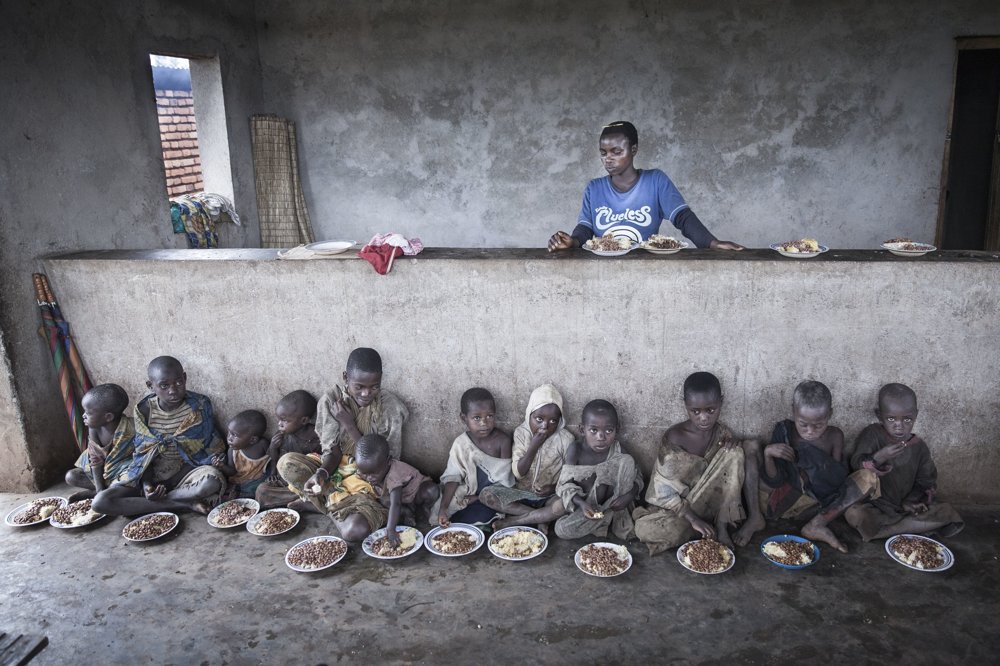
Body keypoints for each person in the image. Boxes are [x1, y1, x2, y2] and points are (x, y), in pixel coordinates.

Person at [276, 348, 408, 542]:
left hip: (370, 477)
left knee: (354, 532)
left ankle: (324, 505)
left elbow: (387, 461)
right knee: (286, 464)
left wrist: (348, 424)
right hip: (335, 470)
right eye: (359, 386)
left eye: (374, 387)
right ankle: (330, 499)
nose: (366, 393)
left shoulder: (390, 407)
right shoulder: (330, 400)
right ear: (346, 377)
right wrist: (321, 473)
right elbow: (332, 451)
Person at [547, 121, 744, 251]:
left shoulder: (655, 181)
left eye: (616, 151)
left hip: (646, 268)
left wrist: (712, 243)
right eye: (604, 152)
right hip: (602, 270)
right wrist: (572, 242)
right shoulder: (594, 188)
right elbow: (585, 228)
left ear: (633, 150)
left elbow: (683, 218)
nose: (608, 159)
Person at [737, 381, 880, 553]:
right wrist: (768, 455)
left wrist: (811, 468)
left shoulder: (835, 436)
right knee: (750, 446)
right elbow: (775, 481)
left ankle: (817, 525)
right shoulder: (784, 431)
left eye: (819, 425)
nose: (810, 431)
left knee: (868, 478)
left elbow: (836, 481)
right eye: (803, 424)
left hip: (813, 505)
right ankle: (754, 517)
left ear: (830, 414)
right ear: (793, 411)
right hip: (776, 498)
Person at [92, 356, 226, 517]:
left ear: (184, 378)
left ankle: (147, 505)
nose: (173, 390)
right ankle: (182, 504)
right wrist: (148, 486)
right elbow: (144, 453)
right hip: (152, 471)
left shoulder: (199, 405)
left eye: (178, 382)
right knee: (100, 502)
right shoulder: (144, 410)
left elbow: (209, 449)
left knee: (210, 484)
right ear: (150, 386)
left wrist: (170, 482)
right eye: (164, 385)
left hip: (188, 469)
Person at [633, 372, 747, 553]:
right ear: (685, 405)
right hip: (680, 508)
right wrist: (692, 518)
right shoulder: (675, 437)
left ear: (721, 402)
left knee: (735, 453)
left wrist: (733, 446)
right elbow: (661, 491)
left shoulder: (722, 434)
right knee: (645, 529)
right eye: (695, 411)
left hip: (709, 503)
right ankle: (701, 527)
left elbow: (726, 481)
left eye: (711, 410)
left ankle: (722, 526)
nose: (704, 418)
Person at [845, 383, 963, 541]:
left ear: (916, 415)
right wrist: (879, 457)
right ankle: (909, 530)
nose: (899, 426)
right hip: (876, 507)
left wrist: (910, 501)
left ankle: (888, 531)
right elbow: (856, 464)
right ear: (879, 415)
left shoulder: (919, 446)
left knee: (947, 512)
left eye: (907, 419)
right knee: (854, 513)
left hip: (907, 508)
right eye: (891, 418)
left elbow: (926, 481)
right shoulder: (872, 434)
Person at [479, 384, 572, 532]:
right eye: (539, 419)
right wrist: (533, 446)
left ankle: (513, 521)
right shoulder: (521, 433)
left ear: (560, 420)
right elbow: (518, 473)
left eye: (553, 421)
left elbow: (570, 476)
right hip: (520, 494)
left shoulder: (566, 439)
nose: (545, 426)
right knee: (486, 495)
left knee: (564, 504)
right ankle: (541, 518)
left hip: (550, 496)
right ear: (529, 414)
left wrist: (553, 488)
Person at [554, 399, 643, 540]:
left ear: (617, 429)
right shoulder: (575, 450)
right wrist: (581, 503)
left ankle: (608, 521)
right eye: (593, 430)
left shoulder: (619, 450)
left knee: (627, 461)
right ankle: (602, 522)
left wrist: (629, 496)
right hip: (588, 509)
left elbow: (638, 477)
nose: (601, 437)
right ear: (582, 430)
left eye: (608, 430)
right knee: (561, 529)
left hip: (615, 507)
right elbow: (565, 485)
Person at [431, 388, 514, 528]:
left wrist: (477, 498)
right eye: (477, 418)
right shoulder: (461, 444)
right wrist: (443, 508)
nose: (484, 423)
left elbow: (505, 483)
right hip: (468, 494)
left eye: (489, 416)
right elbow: (453, 477)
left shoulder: (502, 441)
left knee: (492, 508)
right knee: (444, 508)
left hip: (492, 497)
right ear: (464, 418)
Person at [355, 434, 438, 547]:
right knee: (383, 502)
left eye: (374, 473)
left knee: (431, 490)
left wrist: (390, 530)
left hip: (415, 492)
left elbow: (396, 503)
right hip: (398, 498)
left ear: (388, 461)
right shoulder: (368, 468)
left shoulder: (394, 475)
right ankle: (407, 512)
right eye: (366, 473)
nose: (369, 478)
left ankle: (422, 509)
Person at [65, 383, 135, 502]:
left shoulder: (132, 427)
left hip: (123, 471)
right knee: (71, 476)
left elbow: (143, 457)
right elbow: (95, 460)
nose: (83, 416)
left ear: (108, 417)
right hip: (103, 472)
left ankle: (108, 492)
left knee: (132, 478)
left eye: (88, 413)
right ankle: (102, 492)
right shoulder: (94, 429)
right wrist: (99, 490)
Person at [256, 390, 321, 509]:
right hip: (287, 483)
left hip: (307, 480)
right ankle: (306, 501)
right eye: (278, 419)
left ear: (304, 421)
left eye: (285, 420)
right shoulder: (283, 435)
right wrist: (273, 447)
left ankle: (310, 500)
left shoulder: (317, 435)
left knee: (318, 488)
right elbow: (275, 459)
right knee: (262, 491)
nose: (280, 424)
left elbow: (322, 462)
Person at [213, 410, 270, 501]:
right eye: (229, 432)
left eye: (234, 435)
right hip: (239, 482)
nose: (229, 438)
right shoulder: (232, 451)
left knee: (263, 488)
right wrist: (222, 466)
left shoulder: (262, 445)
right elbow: (232, 472)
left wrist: (274, 447)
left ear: (253, 440)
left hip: (257, 481)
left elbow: (274, 459)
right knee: (225, 496)